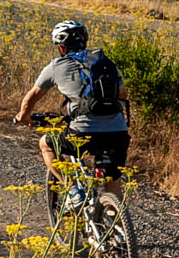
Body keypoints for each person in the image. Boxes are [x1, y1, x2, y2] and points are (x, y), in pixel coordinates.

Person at [13, 20, 132, 199]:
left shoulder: (56, 66)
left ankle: (74, 191)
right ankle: (117, 223)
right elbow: (123, 94)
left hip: (83, 131)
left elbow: (32, 97)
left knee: (46, 144)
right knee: (113, 186)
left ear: (61, 47)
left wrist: (23, 116)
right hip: (118, 132)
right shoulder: (105, 62)